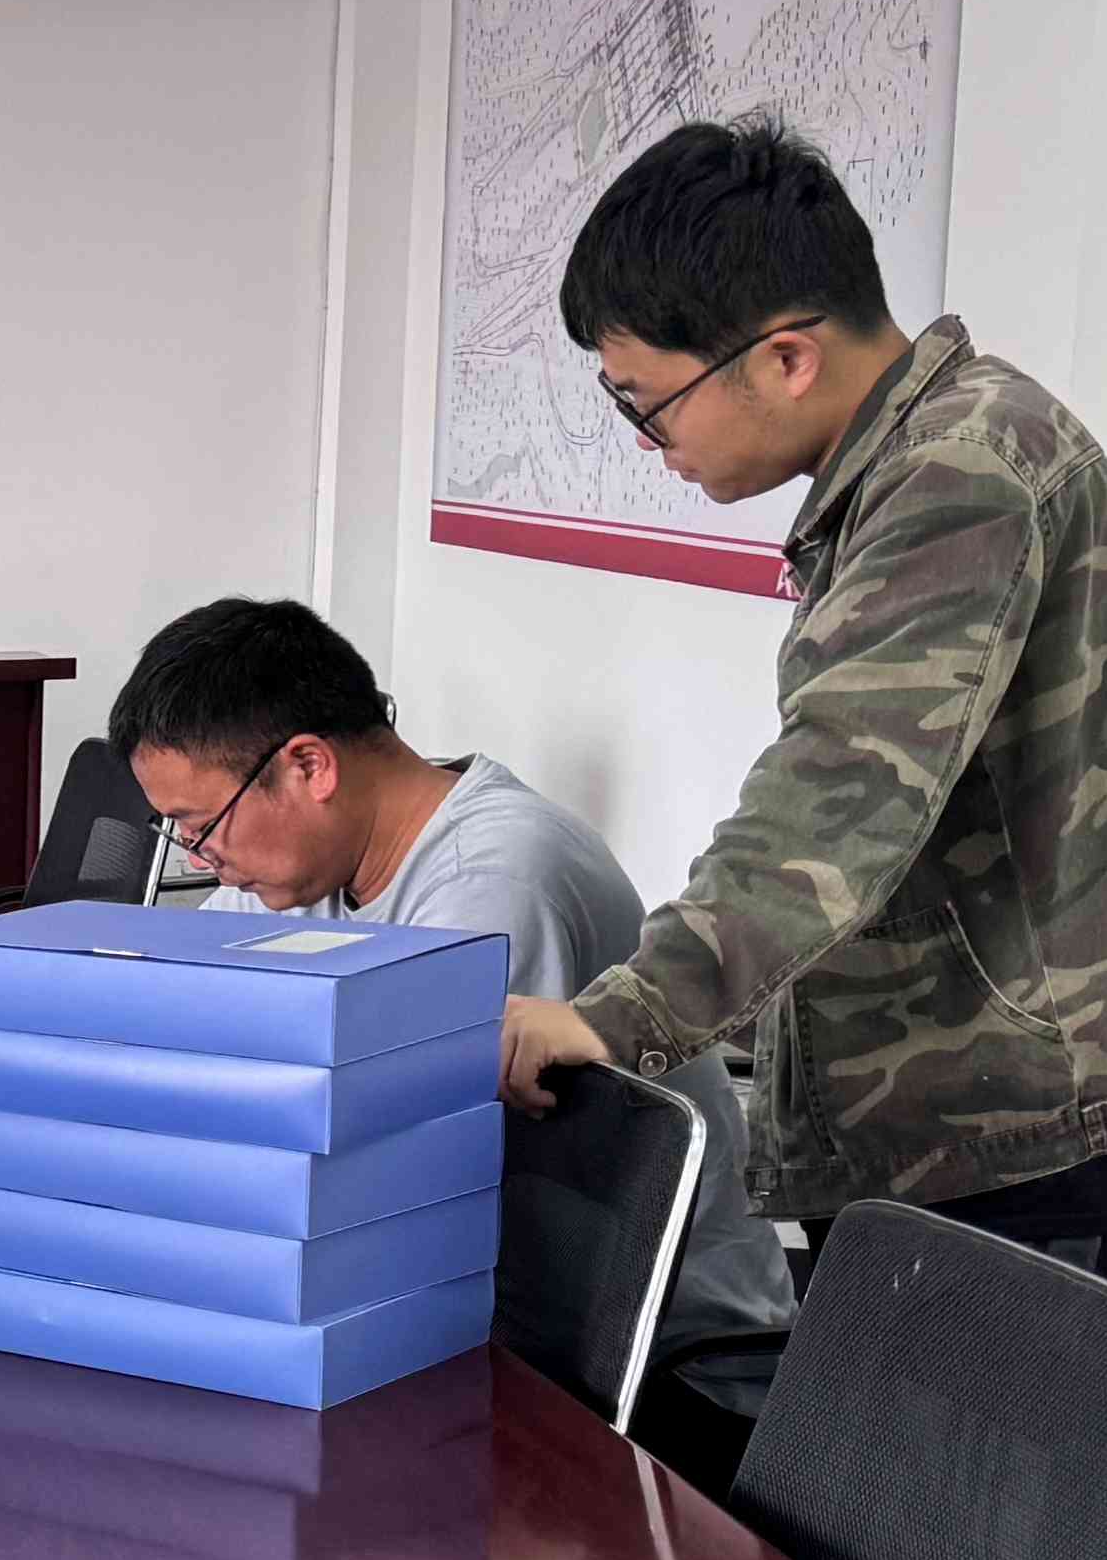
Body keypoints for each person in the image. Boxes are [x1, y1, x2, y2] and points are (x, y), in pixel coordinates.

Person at [497, 121, 1107, 1310]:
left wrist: (623, 1013)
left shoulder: (960, 472)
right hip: (1019, 1119)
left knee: (968, 1446)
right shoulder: (973, 445)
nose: (652, 446)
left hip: (1037, 1146)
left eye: (650, 405)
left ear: (787, 358)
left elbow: (837, 794)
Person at [107, 597, 798, 1474]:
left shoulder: (493, 882)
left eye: (203, 826)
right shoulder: (305, 862)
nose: (199, 856)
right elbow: (185, 1005)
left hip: (652, 1379)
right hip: (475, 1323)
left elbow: (409, 1178)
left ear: (309, 766)